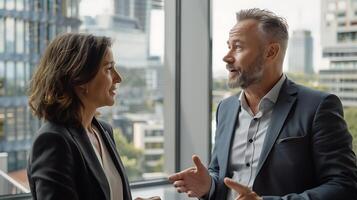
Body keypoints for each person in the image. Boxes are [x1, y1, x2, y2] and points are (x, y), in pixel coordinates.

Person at [169, 8, 357, 200]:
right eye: (228, 46)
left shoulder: (318, 107)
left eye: (238, 47)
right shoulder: (225, 109)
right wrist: (209, 185)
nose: (227, 57)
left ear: (271, 52)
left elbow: (344, 185)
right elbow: (222, 175)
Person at [27, 33, 160, 200]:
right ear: (80, 78)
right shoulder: (53, 140)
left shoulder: (103, 130)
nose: (118, 78)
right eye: (109, 69)